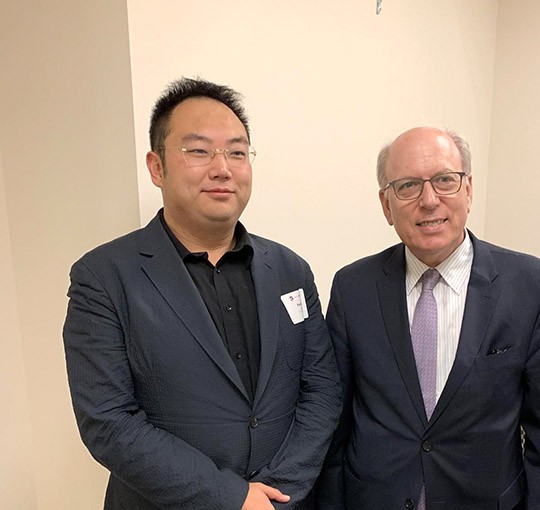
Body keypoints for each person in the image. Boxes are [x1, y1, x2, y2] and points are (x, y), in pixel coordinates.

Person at [63, 77, 341, 510]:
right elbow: (108, 421)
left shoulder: (291, 270)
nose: (222, 168)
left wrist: (277, 493)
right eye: (198, 150)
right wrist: (233, 497)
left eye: (237, 152)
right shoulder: (103, 277)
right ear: (157, 167)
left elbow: (321, 390)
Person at [315, 127, 540, 510]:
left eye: (444, 180)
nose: (429, 200)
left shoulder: (536, 288)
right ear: (386, 205)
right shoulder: (352, 288)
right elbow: (334, 424)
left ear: (468, 190)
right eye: (408, 186)